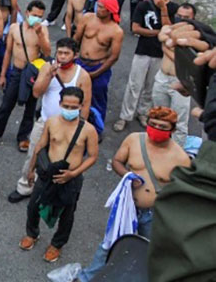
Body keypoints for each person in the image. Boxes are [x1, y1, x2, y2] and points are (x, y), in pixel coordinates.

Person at [77, 106, 190, 281]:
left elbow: (183, 194)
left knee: (148, 251)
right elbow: (117, 161)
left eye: (163, 127)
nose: (157, 129)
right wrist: (127, 174)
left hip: (154, 214)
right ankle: (86, 278)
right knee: (109, 244)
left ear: (172, 130)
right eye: (153, 124)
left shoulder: (180, 158)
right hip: (126, 206)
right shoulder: (134, 140)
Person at [20, 86, 98, 263]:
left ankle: (57, 244)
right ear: (60, 103)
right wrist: (31, 169)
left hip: (71, 176)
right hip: (48, 173)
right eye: (66, 105)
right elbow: (40, 146)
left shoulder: (88, 130)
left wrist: (73, 174)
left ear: (81, 106)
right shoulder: (52, 122)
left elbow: (93, 156)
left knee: (67, 214)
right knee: (33, 205)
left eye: (73, 107)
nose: (69, 110)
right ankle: (32, 234)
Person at [9, 38, 92, 204]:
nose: (62, 57)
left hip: (69, 125)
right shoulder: (47, 67)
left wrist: (79, 128)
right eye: (59, 52)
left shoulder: (82, 75)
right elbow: (36, 93)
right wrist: (49, 75)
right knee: (33, 153)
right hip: (45, 121)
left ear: (75, 55)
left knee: (59, 158)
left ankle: (49, 189)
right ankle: (25, 185)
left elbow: (86, 104)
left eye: (66, 53)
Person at [113, 0, 178, 132]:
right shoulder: (143, 5)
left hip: (161, 55)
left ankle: (143, 112)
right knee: (134, 85)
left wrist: (163, 9)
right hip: (143, 51)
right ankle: (125, 116)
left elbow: (170, 31)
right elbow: (135, 28)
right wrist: (158, 32)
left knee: (151, 86)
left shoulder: (174, 8)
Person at [0, 0, 50, 151]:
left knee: (30, 106)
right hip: (17, 71)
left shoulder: (42, 30)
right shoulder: (15, 28)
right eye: (34, 15)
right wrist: (2, 75)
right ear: (27, 13)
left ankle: (23, 137)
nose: (37, 18)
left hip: (32, 73)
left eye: (40, 16)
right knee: (6, 104)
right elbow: (8, 52)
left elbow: (47, 52)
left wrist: (40, 33)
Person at [74, 0, 124, 127]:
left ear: (109, 10)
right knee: (72, 93)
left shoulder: (116, 31)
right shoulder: (87, 18)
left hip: (98, 66)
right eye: (98, 5)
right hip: (81, 62)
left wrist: (97, 73)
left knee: (97, 99)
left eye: (101, 7)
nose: (98, 8)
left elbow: (114, 56)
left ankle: (97, 128)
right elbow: (76, 39)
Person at [152, 3, 196, 147]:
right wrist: (178, 53)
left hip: (181, 82)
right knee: (158, 115)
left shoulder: (196, 37)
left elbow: (190, 61)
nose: (181, 19)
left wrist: (167, 49)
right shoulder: (168, 28)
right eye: (179, 16)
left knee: (179, 121)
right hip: (162, 77)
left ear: (193, 18)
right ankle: (156, 146)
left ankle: (177, 155)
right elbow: (161, 37)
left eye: (186, 17)